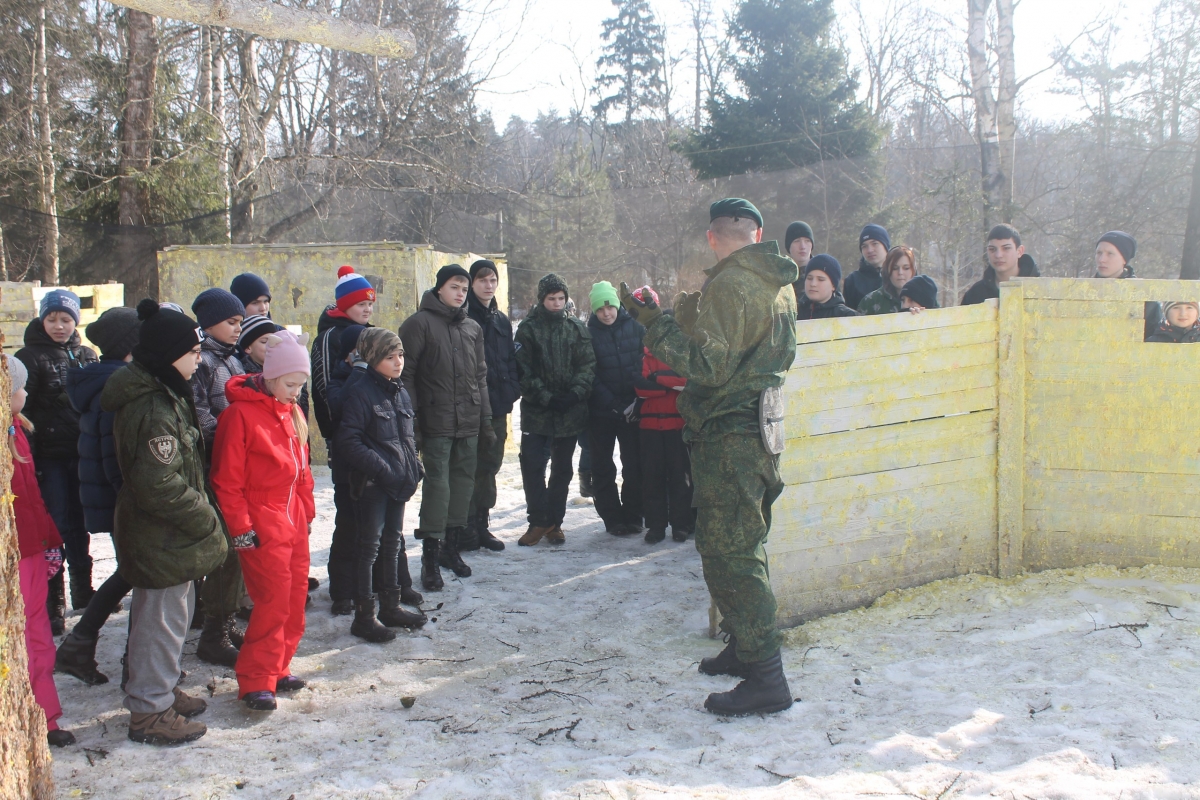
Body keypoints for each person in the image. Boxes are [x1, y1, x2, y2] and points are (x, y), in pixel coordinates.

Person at [621, 197, 796, 717]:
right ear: (759, 233)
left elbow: (707, 365)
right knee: (736, 545)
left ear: (712, 237)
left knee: (734, 554)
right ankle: (746, 647)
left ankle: (767, 677)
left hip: (730, 434)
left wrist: (657, 323)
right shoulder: (778, 283)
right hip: (755, 430)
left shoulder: (733, 283)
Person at [103, 300, 224, 745]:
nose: (199, 359)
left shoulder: (165, 393)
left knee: (174, 614)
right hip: (162, 533)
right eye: (192, 351)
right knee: (160, 621)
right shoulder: (152, 407)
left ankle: (161, 691)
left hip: (171, 534)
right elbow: (157, 484)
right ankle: (150, 712)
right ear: (168, 354)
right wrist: (204, 515)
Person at [211, 332, 316, 711]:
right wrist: (241, 529)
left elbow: (302, 471)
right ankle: (256, 679)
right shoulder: (239, 415)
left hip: (292, 517)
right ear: (270, 377)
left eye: (301, 385)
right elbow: (227, 480)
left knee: (293, 597)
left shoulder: (293, 413)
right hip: (261, 519)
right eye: (290, 384)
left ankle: (278, 666)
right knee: (271, 601)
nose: (296, 392)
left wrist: (307, 510)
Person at [56, 307, 141, 685]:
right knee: (138, 574)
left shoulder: (102, 379)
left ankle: (81, 645)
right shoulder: (118, 385)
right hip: (121, 499)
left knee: (130, 573)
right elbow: (114, 457)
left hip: (110, 497)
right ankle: (132, 664)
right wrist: (132, 502)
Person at [399, 264, 492, 590]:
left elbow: (480, 377)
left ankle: (451, 550)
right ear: (439, 288)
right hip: (436, 423)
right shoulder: (418, 324)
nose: (460, 293)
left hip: (467, 422)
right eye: (455, 286)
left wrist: (486, 421)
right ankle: (429, 557)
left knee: (463, 487)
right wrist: (411, 423)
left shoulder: (472, 328)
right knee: (438, 490)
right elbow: (405, 377)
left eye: (464, 289)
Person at [334, 328, 426, 642]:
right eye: (390, 357)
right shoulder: (360, 391)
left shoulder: (399, 391)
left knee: (392, 543)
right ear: (373, 358)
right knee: (369, 547)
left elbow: (407, 436)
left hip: (399, 482)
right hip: (374, 485)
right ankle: (364, 616)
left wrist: (414, 466)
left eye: (400, 355)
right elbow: (349, 441)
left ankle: (391, 605)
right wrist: (383, 469)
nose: (398, 362)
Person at [15, 289, 98, 631]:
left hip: (80, 453)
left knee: (81, 524)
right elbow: (25, 410)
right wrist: (31, 456)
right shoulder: (30, 357)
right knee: (57, 525)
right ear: (42, 319)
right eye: (52, 319)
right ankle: (54, 600)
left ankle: (83, 589)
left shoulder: (86, 354)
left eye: (66, 319)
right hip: (49, 458)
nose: (59, 326)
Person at [7, 354, 76, 747]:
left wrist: (51, 541)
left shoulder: (19, 431)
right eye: (20, 387)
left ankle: (45, 715)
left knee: (38, 634)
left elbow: (33, 496)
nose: (26, 393)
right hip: (14, 555)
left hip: (33, 548)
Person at [311, 265, 375, 613]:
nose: (367, 309)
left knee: (374, 513)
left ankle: (375, 582)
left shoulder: (371, 333)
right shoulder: (328, 339)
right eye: (360, 303)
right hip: (345, 437)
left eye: (370, 303)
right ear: (343, 305)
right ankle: (343, 588)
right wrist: (336, 433)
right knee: (349, 514)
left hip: (375, 437)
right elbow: (323, 390)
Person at [515, 274, 596, 546]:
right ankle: (538, 519)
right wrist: (547, 397)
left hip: (570, 411)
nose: (557, 303)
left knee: (562, 470)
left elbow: (587, 365)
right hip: (538, 411)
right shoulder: (527, 329)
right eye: (551, 299)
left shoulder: (576, 327)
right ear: (542, 299)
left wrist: (574, 393)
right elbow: (523, 370)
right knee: (532, 466)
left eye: (561, 298)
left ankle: (555, 523)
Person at [189, 287, 247, 668]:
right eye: (231, 322)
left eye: (240, 322)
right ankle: (214, 632)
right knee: (225, 550)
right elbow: (198, 412)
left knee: (238, 550)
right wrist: (232, 434)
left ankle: (223, 622)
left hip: (236, 462)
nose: (237, 329)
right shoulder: (204, 362)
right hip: (216, 464)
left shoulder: (233, 360)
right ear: (208, 324)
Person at [463, 259, 519, 552]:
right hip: (470, 407)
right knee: (469, 466)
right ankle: (466, 526)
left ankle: (482, 522)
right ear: (472, 283)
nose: (488, 285)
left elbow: (509, 358)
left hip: (498, 405)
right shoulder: (463, 317)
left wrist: (512, 389)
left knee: (490, 464)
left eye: (492, 280)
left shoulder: (499, 319)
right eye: (482, 280)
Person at [586, 280, 645, 536]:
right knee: (602, 466)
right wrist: (612, 404)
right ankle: (612, 518)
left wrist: (636, 400)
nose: (606, 313)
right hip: (601, 412)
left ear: (618, 305)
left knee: (634, 464)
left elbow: (644, 364)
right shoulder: (588, 334)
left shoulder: (635, 327)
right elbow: (590, 373)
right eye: (600, 309)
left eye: (610, 306)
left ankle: (633, 515)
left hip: (633, 408)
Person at [633, 306, 693, 545]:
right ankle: (656, 527)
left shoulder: (683, 354)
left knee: (681, 478)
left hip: (677, 426)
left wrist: (657, 378)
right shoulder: (645, 355)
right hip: (650, 427)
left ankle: (681, 525)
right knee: (652, 479)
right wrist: (667, 383)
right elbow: (640, 388)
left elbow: (686, 382)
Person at [1093, 230, 1163, 339]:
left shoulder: (1145, 297)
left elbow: (1155, 338)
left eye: (1110, 254)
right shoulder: (1081, 291)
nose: (1102, 259)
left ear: (1124, 259)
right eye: (1099, 253)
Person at [961, 224, 1041, 305]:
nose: (998, 255)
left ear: (1019, 251)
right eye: (992, 249)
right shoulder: (975, 295)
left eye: (1006, 248)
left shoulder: (1040, 290)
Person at [858, 246, 917, 315]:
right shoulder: (871, 301)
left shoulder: (924, 297)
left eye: (906, 268)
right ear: (887, 270)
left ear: (913, 271)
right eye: (895, 268)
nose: (900, 272)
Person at [842, 224, 890, 310]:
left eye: (875, 244)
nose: (870, 250)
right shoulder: (852, 281)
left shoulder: (900, 274)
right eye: (864, 246)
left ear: (885, 246)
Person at [797, 255, 859, 319]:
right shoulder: (794, 314)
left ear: (833, 286)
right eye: (809, 278)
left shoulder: (848, 317)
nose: (813, 284)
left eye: (821, 279)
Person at [784, 221, 814, 304]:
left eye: (807, 241)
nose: (802, 246)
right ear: (789, 246)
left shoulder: (823, 271)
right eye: (797, 241)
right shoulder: (781, 275)